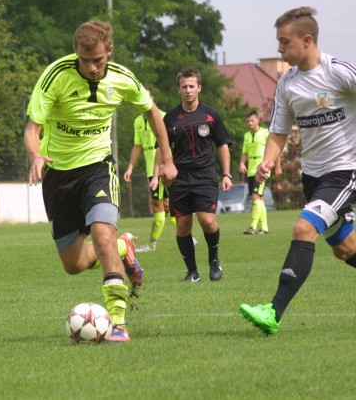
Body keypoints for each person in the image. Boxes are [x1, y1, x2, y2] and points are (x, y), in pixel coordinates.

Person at [24, 20, 177, 342]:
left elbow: (153, 113)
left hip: (97, 167)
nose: (92, 67)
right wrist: (36, 155)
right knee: (74, 264)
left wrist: (166, 159)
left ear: (109, 51)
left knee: (102, 235)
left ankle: (118, 323)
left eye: (98, 60)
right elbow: (32, 128)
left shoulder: (123, 78)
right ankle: (125, 246)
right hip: (57, 173)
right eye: (84, 60)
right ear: (76, 53)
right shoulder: (56, 75)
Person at [240, 7, 356, 335]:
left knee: (304, 228)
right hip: (314, 178)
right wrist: (267, 159)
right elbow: (278, 131)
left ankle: (273, 311)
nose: (279, 49)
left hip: (346, 172)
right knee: (345, 248)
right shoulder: (287, 83)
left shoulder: (339, 72)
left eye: (284, 42)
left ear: (306, 40)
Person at [153, 67, 232, 283]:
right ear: (178, 89)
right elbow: (161, 147)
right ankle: (192, 272)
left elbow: (223, 145)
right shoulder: (170, 118)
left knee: (207, 221)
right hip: (179, 178)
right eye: (184, 87)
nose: (188, 90)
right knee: (182, 225)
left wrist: (226, 174)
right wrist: (156, 173)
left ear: (199, 88)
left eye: (191, 86)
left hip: (205, 175)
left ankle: (214, 260)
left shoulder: (211, 115)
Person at [123, 87, 198, 252]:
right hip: (152, 170)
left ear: (152, 99)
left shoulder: (163, 117)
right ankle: (189, 238)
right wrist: (130, 167)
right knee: (166, 206)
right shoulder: (137, 121)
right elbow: (137, 146)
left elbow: (169, 145)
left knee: (159, 206)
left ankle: (151, 245)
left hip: (165, 169)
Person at [239, 110, 282, 235]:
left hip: (262, 169)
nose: (250, 123)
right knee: (259, 199)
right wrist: (242, 163)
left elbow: (276, 150)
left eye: (252, 120)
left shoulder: (265, 133)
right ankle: (264, 228)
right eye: (247, 121)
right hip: (251, 171)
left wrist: (278, 166)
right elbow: (245, 152)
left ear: (258, 120)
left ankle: (252, 226)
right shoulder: (247, 135)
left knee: (255, 196)